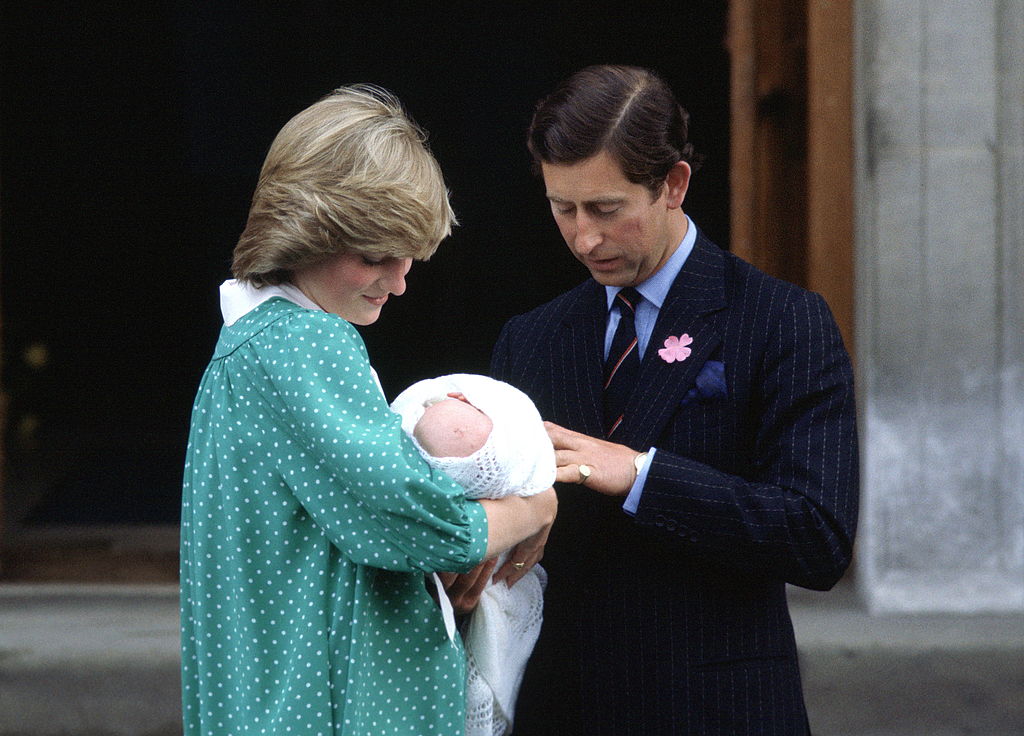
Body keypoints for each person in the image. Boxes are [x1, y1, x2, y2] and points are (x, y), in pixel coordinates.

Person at [488, 65, 859, 734]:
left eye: (605, 209)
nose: (583, 238)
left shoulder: (781, 320)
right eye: (561, 208)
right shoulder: (531, 337)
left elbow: (818, 536)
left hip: (718, 708)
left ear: (674, 184)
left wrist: (641, 475)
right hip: (564, 707)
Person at [179, 85, 557, 736]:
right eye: (376, 255)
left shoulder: (247, 347)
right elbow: (409, 519)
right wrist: (536, 505)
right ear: (301, 229)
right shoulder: (305, 342)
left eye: (410, 252)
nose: (401, 278)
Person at [391, 373, 556, 736]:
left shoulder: (510, 425)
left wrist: (535, 492)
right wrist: (538, 507)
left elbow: (522, 463)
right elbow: (452, 536)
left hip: (503, 587)